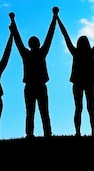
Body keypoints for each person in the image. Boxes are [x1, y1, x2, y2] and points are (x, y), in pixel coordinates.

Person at [56, 8, 94, 137]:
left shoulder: (78, 53)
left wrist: (57, 18)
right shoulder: (89, 52)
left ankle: (83, 132)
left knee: (81, 108)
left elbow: (66, 35)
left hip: (81, 82)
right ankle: (89, 132)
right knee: (88, 108)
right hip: (85, 82)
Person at [9, 9, 58, 138]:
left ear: (30, 44)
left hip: (33, 86)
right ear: (37, 44)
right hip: (37, 85)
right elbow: (49, 36)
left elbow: (19, 41)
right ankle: (44, 132)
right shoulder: (38, 53)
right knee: (40, 111)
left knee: (32, 112)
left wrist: (13, 23)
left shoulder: (28, 54)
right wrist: (54, 17)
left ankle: (33, 133)